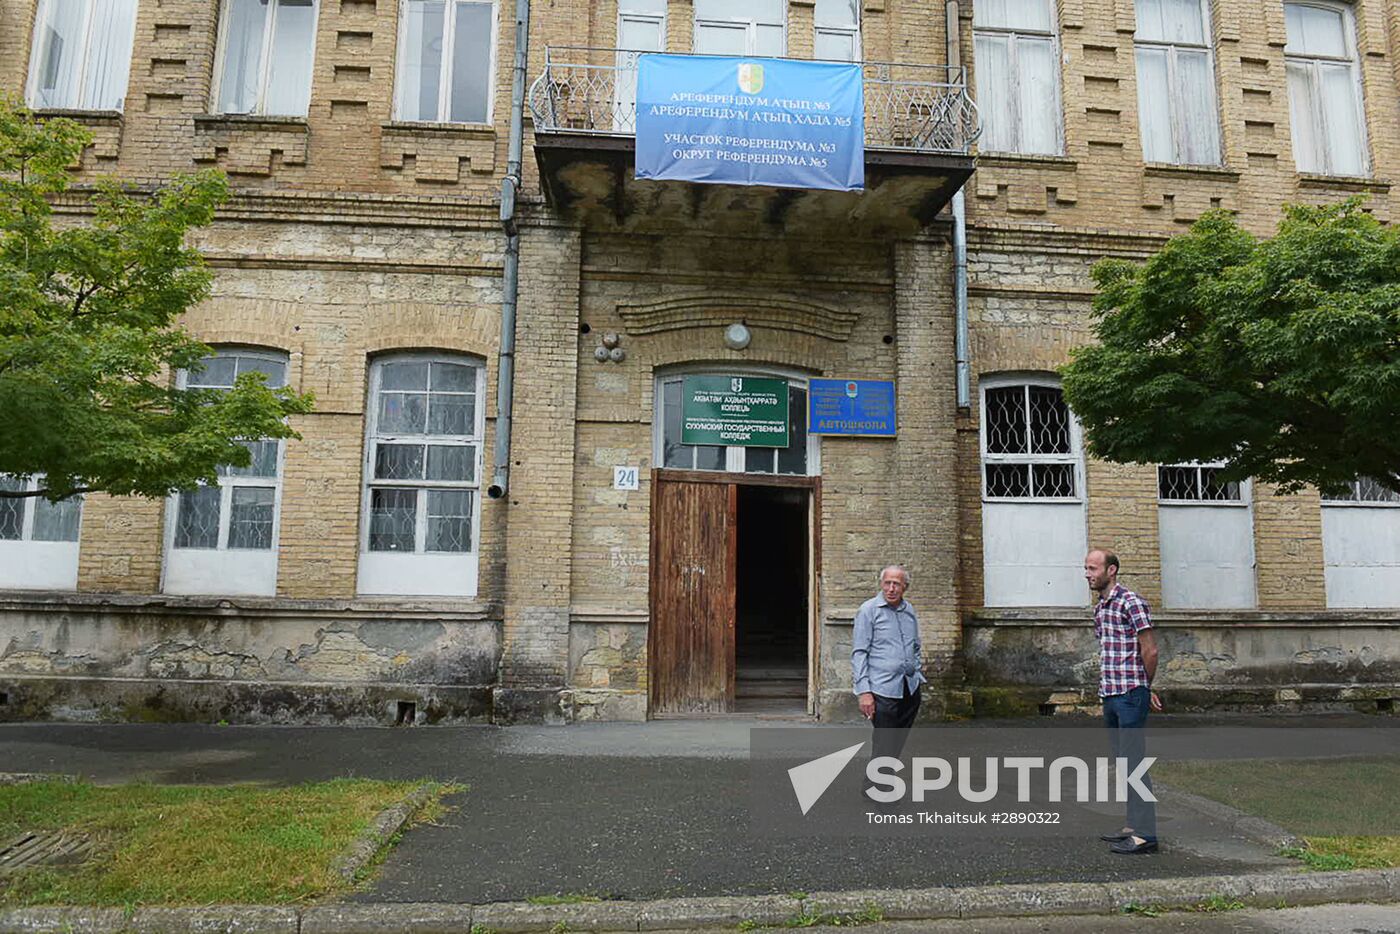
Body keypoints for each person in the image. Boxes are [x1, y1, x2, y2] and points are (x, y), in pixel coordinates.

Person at [1084, 548, 1163, 855]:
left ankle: (1146, 835)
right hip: (1111, 694)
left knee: (1135, 764)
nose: (1088, 574)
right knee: (1123, 763)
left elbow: (1150, 650)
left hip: (1130, 694)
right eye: (1086, 568)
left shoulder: (1131, 602)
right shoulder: (1100, 609)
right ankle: (1133, 825)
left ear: (1111, 570)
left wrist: (1145, 686)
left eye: (1093, 568)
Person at [852, 565, 925, 766]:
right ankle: (879, 783)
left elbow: (915, 645)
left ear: (905, 587)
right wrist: (864, 692)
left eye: (896, 584)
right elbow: (859, 653)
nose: (891, 589)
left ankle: (881, 779)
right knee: (884, 743)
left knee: (897, 742)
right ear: (881, 584)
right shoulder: (868, 610)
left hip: (909, 687)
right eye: (887, 583)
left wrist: (916, 671)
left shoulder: (909, 610)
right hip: (882, 689)